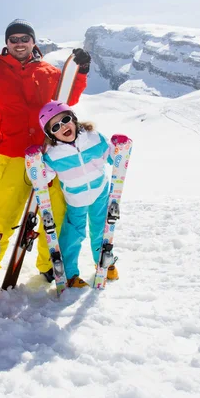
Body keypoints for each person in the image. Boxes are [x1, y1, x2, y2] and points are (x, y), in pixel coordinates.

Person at [0, 19, 90, 281]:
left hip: (47, 155)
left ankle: (49, 263)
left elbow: (68, 98)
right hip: (12, 154)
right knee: (3, 213)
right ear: (6, 43)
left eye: (24, 39)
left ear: (33, 42)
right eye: (13, 39)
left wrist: (80, 71)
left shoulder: (48, 72)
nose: (19, 44)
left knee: (56, 211)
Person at [37, 100, 127, 287]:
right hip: (75, 199)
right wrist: (35, 164)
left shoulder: (94, 137)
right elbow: (43, 178)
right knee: (73, 235)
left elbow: (110, 157)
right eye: (55, 126)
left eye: (66, 119)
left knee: (101, 229)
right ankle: (70, 274)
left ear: (74, 119)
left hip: (100, 191)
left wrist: (118, 149)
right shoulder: (53, 155)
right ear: (50, 134)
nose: (63, 126)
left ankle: (104, 262)